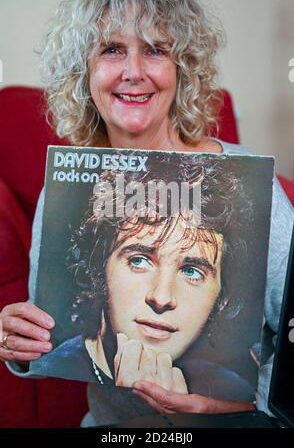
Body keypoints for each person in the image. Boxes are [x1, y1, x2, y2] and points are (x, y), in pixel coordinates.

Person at [0, 0, 293, 426]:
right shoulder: (68, 189)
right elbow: (49, 334)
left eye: (156, 49)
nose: (133, 71)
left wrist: (241, 406)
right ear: (85, 71)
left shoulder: (250, 182)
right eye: (112, 49)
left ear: (182, 68)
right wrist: (17, 346)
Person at [26, 154, 256, 407]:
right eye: (139, 261)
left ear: (220, 298)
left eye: (191, 271)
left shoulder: (235, 390)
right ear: (98, 269)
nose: (162, 297)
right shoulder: (57, 364)